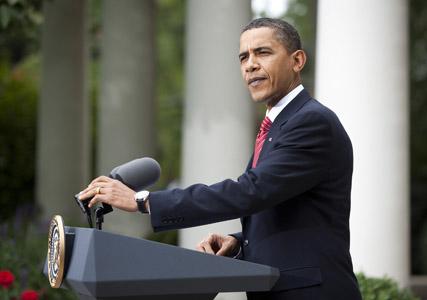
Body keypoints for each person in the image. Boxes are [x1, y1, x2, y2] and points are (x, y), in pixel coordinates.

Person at [79, 18, 362, 300]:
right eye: (243, 57)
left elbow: (250, 191)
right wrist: (239, 244)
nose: (250, 65)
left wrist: (143, 201)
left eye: (263, 52)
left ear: (297, 60)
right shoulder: (278, 126)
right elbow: (282, 211)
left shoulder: (311, 122)